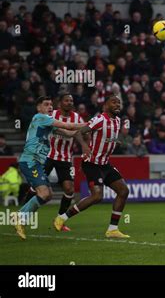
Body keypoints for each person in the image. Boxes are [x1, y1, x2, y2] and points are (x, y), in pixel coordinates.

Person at [53, 96, 131, 239]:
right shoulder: (100, 119)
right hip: (91, 164)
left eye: (119, 102)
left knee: (123, 191)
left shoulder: (118, 121)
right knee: (97, 196)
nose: (117, 104)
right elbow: (79, 132)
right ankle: (62, 218)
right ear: (106, 105)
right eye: (113, 102)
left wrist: (114, 141)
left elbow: (105, 137)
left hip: (105, 164)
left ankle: (112, 229)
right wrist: (84, 146)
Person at [11, 96, 87, 240]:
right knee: (44, 193)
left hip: (37, 163)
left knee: (48, 195)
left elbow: (70, 133)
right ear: (39, 108)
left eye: (51, 105)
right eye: (46, 104)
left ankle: (20, 217)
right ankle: (20, 216)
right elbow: (69, 126)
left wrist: (89, 129)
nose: (50, 107)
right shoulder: (40, 117)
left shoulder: (48, 125)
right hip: (30, 161)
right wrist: (90, 123)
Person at [44, 92, 85, 232]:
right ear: (60, 103)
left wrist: (84, 145)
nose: (69, 102)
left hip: (65, 158)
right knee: (37, 186)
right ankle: (22, 216)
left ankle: (59, 220)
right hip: (48, 155)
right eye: (66, 100)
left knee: (69, 189)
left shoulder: (76, 117)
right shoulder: (52, 115)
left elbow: (80, 132)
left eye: (71, 100)